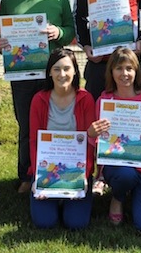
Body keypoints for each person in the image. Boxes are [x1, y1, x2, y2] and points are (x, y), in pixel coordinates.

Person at [0, 0, 75, 193]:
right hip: (21, 74)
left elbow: (71, 31)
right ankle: (27, 175)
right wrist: (0, 44)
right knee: (26, 125)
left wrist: (58, 33)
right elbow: (1, 36)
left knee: (54, 123)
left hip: (54, 74)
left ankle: (54, 171)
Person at [89, 47, 141, 233]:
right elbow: (98, 144)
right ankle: (118, 197)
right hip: (117, 165)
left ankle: (137, 192)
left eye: (129, 68)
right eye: (119, 68)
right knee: (126, 175)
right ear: (111, 71)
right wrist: (91, 134)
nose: (124, 73)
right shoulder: (104, 101)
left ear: (137, 71)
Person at [28, 48, 97, 229]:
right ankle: (53, 197)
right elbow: (34, 142)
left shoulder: (86, 99)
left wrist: (85, 175)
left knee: (76, 223)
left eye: (67, 68)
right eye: (57, 69)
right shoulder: (39, 100)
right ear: (50, 72)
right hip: (47, 172)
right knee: (44, 222)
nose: (62, 74)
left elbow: (89, 143)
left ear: (75, 71)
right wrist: (38, 177)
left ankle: (68, 199)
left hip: (76, 172)